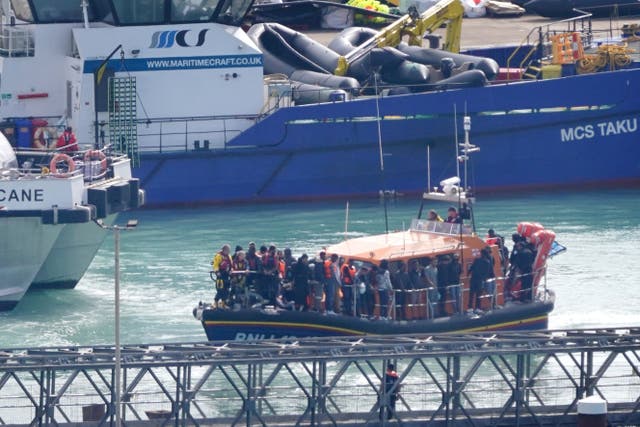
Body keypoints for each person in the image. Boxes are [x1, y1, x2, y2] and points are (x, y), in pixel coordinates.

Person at [468, 247, 493, 313]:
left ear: (482, 253)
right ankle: (477, 307)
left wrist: (468, 273)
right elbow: (487, 272)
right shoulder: (487, 262)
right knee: (478, 294)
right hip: (479, 280)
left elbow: (471, 268)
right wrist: (484, 279)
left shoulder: (477, 260)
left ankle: (470, 307)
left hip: (474, 279)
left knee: (472, 293)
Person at [212, 244, 233, 308]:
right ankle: (216, 303)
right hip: (220, 275)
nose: (229, 251)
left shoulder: (229, 256)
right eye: (228, 250)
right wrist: (217, 272)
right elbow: (215, 265)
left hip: (226, 275)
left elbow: (231, 265)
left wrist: (231, 270)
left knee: (226, 290)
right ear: (224, 250)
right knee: (220, 290)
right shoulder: (219, 256)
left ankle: (224, 304)